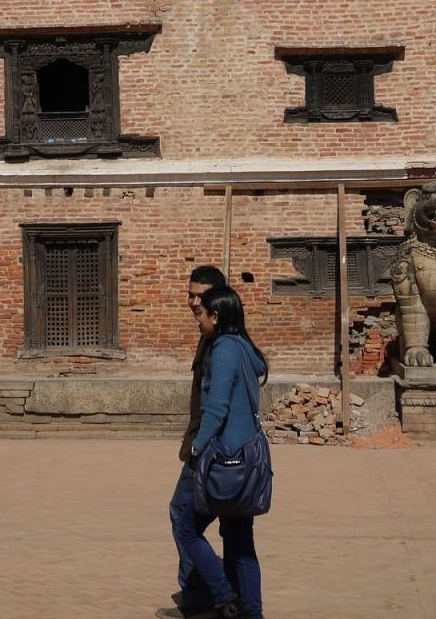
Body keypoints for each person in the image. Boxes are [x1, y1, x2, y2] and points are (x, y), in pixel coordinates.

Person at [173, 285, 268, 619]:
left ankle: (224, 596)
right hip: (248, 460)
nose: (197, 319)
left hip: (226, 461)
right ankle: (252, 612)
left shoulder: (224, 349)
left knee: (187, 528)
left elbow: (216, 410)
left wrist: (197, 448)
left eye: (201, 314)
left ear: (215, 316)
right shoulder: (244, 347)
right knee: (241, 543)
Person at [158, 265, 228, 619]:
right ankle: (223, 595)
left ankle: (205, 596)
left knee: (184, 518)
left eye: (200, 296)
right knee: (231, 528)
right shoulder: (210, 333)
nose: (193, 302)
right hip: (209, 446)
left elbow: (217, 407)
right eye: (190, 295)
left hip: (211, 449)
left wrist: (199, 447)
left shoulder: (223, 341)